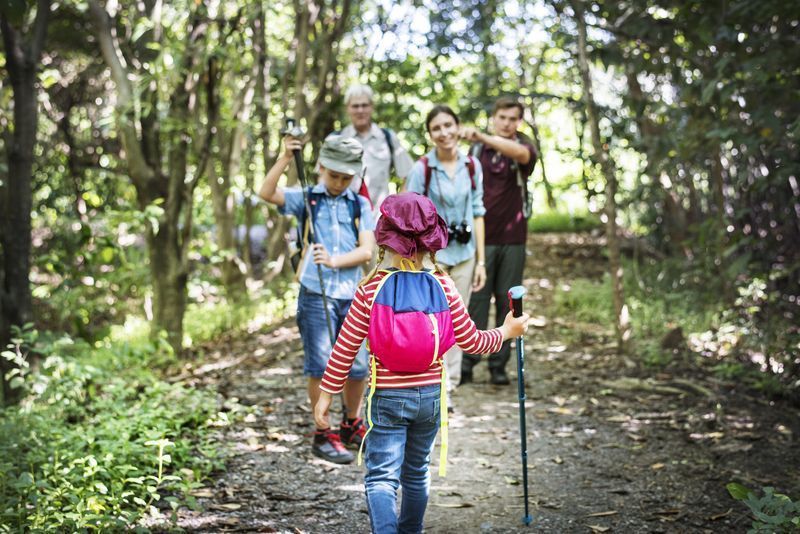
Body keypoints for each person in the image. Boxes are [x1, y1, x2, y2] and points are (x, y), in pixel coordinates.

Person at [314, 192, 530, 533]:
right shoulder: (443, 286)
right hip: (430, 398)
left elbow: (344, 348)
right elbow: (473, 341)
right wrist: (507, 329)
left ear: (385, 240)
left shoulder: (370, 290)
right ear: (433, 241)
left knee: (382, 477)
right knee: (416, 473)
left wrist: (326, 395)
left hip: (386, 397)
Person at [258, 134, 376, 464]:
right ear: (321, 167)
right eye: (334, 175)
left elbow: (367, 250)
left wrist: (335, 260)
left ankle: (351, 422)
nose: (339, 182)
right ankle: (323, 433)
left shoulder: (359, 203)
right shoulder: (308, 198)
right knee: (321, 364)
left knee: (357, 364)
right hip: (316, 293)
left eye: (346, 177)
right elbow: (266, 193)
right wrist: (284, 157)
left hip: (352, 295)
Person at [404, 105, 487, 393]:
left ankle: (448, 386)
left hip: (465, 254)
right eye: (436, 128)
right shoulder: (422, 169)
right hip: (432, 256)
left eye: (448, 125)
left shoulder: (472, 166)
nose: (444, 133)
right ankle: (429, 381)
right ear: (430, 134)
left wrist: (481, 262)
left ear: (457, 126)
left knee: (458, 318)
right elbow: (408, 213)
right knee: (431, 318)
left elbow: (478, 212)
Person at [459, 97, 538, 385]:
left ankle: (499, 365)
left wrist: (481, 134)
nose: (506, 123)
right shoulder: (477, 149)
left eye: (512, 118)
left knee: (509, 299)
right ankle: (468, 361)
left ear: (519, 121)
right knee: (476, 298)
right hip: (481, 236)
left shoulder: (523, 145)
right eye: (502, 117)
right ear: (494, 117)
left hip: (513, 236)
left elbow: (522, 155)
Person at [340, 83, 414, 213]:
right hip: (344, 218)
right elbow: (323, 179)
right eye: (355, 106)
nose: (360, 110)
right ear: (348, 109)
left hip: (379, 220)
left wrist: (397, 208)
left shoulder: (387, 137)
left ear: (372, 107)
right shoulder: (338, 139)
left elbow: (410, 175)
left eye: (364, 105)